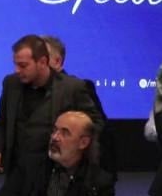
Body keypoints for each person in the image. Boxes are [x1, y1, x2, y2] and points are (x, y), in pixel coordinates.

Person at [0, 35, 102, 196]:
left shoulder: (71, 88)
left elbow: (95, 124)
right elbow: (3, 122)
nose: (17, 70)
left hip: (52, 171)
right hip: (18, 168)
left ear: (42, 62)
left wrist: (76, 149)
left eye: (23, 65)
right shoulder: (11, 84)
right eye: (16, 64)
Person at [16, 111, 115, 196]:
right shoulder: (31, 166)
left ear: (83, 143)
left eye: (65, 133)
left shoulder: (98, 180)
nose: (55, 137)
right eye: (54, 130)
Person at [42, 34, 116, 173]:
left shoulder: (78, 87)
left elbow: (97, 125)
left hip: (70, 170)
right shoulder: (25, 90)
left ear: (57, 61)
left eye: (43, 58)